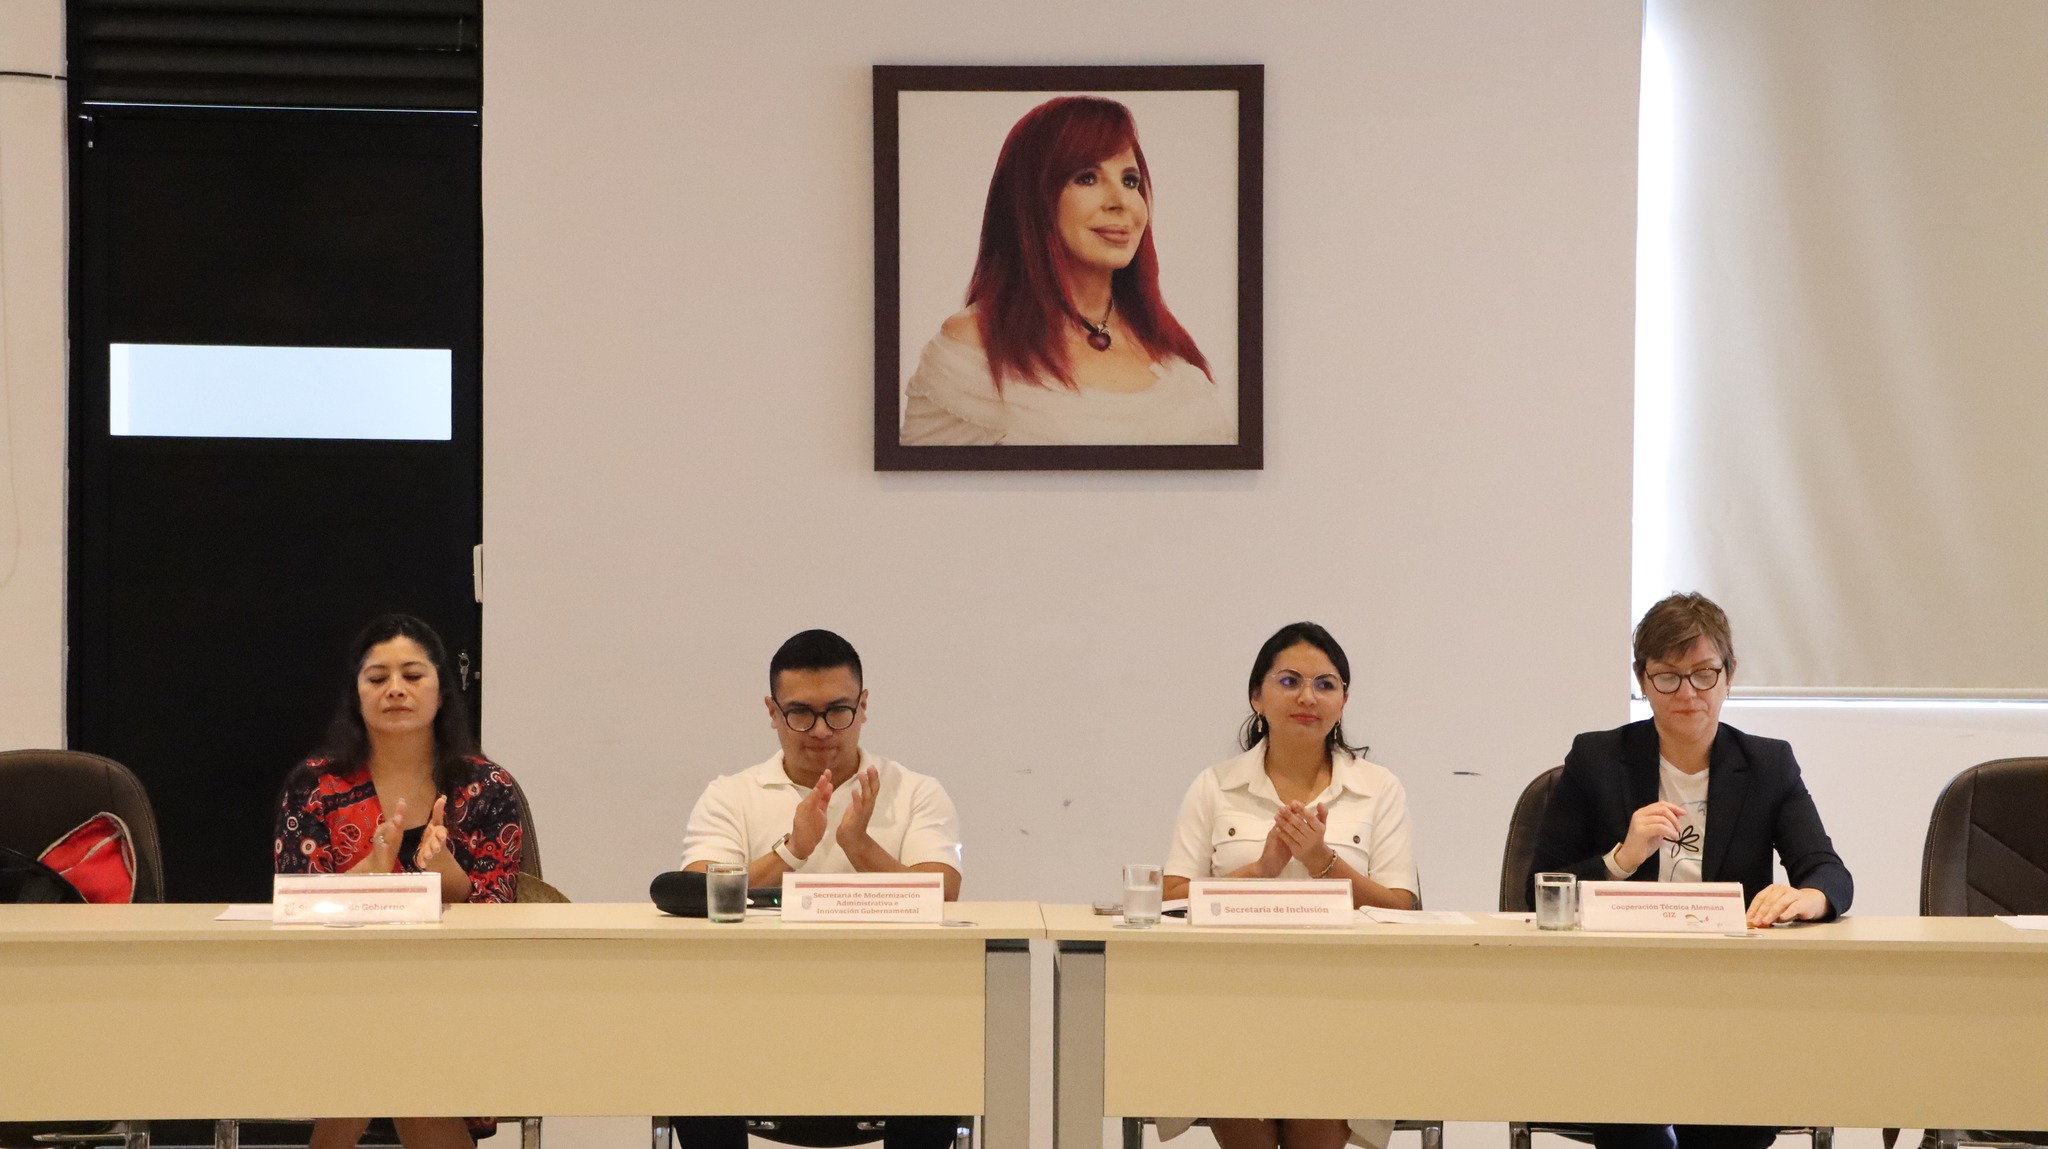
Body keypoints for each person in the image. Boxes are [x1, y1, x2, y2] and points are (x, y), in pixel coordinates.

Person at [1531, 591, 1854, 1149]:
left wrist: (1810, 897)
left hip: (1729, 998)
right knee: (1635, 1122)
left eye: (1704, 674)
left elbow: (1829, 871)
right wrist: (1620, 859)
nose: (1688, 693)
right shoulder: (1597, 759)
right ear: (1642, 678)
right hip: (1618, 997)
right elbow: (1538, 890)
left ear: (1730, 674)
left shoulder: (1767, 764)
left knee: (1728, 1122)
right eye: (1667, 677)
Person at [674, 629, 962, 1149]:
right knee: (687, 1053)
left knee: (946, 1050)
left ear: (864, 706)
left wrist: (859, 846)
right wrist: (792, 851)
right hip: (754, 1025)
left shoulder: (915, 791)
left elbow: (942, 892)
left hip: (891, 1024)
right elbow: (698, 893)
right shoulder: (731, 795)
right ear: (772, 712)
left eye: (839, 711)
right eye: (801, 713)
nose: (822, 730)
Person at [1161, 621, 1417, 1149]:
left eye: (1325, 684)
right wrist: (1260, 871)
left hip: (1346, 999)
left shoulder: (1378, 788)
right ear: (1257, 697)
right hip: (1230, 997)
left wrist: (1323, 861)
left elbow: (1402, 908)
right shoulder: (1215, 786)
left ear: (1344, 701)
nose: (1307, 697)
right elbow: (1170, 900)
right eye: (1289, 681)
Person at [274, 613, 524, 1149]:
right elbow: (297, 907)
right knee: (387, 1023)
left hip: (459, 989)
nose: (395, 689)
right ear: (356, 693)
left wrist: (442, 871)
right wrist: (371, 868)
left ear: (441, 691)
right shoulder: (315, 785)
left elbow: (498, 914)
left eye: (412, 675)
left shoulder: (485, 786)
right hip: (336, 986)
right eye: (377, 677)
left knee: (404, 1024)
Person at [900, 94, 1233, 447]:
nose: (1121, 202)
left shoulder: (1166, 351)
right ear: (1031, 198)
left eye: (1130, 181)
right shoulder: (974, 347)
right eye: (1087, 178)